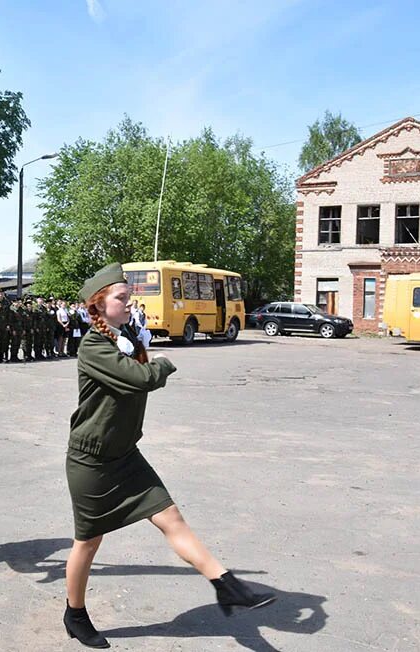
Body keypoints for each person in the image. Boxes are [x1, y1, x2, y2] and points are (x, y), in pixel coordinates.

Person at [62, 263, 274, 648]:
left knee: (171, 517)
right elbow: (142, 379)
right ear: (98, 304)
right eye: (121, 299)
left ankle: (224, 584)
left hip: (125, 455)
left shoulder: (124, 339)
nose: (129, 304)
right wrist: (163, 361)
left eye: (128, 298)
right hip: (91, 461)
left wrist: (140, 346)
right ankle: (74, 613)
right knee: (89, 542)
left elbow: (136, 370)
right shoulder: (94, 346)